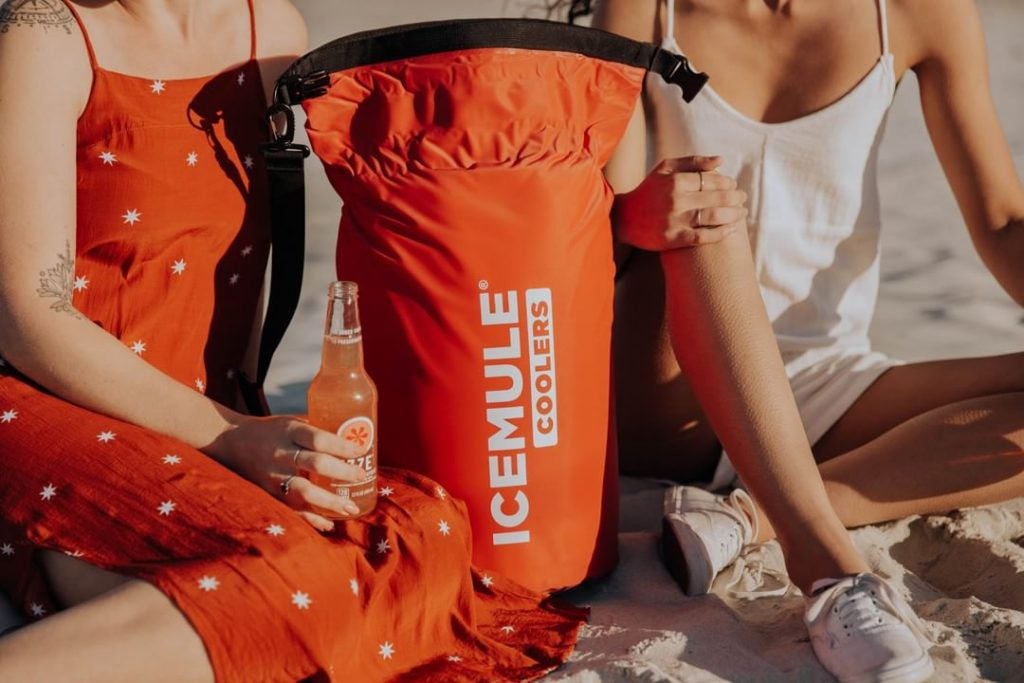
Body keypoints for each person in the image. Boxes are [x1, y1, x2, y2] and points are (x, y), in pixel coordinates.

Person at [0, 1, 586, 680]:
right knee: (299, 577)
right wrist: (229, 435)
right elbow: (28, 319)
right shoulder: (47, 34)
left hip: (199, 415)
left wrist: (249, 426)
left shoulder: (271, 31)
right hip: (50, 406)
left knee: (423, 527)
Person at [563, 0, 1023, 680]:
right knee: (703, 200)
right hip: (667, 380)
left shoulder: (917, 12)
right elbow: (581, 229)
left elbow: (1004, 219)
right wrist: (636, 213)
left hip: (826, 379)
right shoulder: (644, 10)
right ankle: (826, 563)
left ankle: (747, 517)